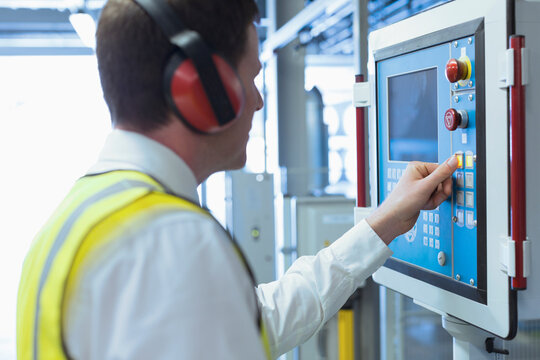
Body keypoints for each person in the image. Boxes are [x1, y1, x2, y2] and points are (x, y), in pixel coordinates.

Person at [16, 0, 458, 359]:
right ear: (202, 91)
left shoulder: (84, 216)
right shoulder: (170, 238)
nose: (260, 101)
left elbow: (256, 321)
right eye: (251, 78)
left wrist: (381, 226)